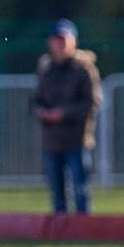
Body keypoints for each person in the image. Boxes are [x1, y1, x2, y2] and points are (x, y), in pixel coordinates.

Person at [33, 20, 101, 214]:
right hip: (52, 141)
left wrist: (62, 114)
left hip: (77, 140)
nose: (60, 44)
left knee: (80, 190)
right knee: (57, 192)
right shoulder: (46, 69)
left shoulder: (84, 69)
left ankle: (83, 231)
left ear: (73, 41)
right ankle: (60, 234)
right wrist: (42, 112)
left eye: (63, 39)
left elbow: (92, 102)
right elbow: (36, 99)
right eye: (56, 39)